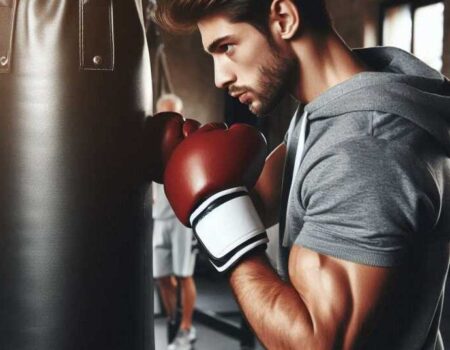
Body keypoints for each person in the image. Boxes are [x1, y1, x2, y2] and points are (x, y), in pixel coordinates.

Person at [155, 1, 450, 349]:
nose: (220, 77)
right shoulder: (326, 112)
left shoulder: (363, 146)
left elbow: (315, 342)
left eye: (226, 47)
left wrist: (215, 215)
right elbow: (255, 203)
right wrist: (174, 163)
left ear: (283, 17)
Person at [152, 94, 198, 350]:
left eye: (174, 115)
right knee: (160, 276)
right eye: (164, 115)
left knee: (183, 275)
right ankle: (173, 318)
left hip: (181, 219)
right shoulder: (149, 145)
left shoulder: (187, 142)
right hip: (158, 219)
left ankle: (186, 328)